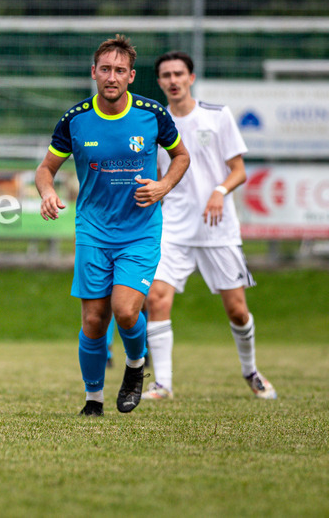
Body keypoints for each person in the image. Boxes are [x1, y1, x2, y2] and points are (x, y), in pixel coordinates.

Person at [35, 35, 190, 416]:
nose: (111, 77)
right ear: (93, 72)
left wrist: (163, 185)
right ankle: (93, 399)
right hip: (92, 230)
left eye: (120, 70)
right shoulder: (75, 120)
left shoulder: (152, 114)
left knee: (125, 311)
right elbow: (46, 169)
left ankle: (136, 366)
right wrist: (46, 193)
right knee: (93, 319)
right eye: (105, 69)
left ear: (131, 76)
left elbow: (181, 157)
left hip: (140, 231)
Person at [142, 51, 276, 401]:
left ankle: (250, 371)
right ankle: (163, 385)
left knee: (237, 310)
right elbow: (158, 176)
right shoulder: (155, 123)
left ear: (191, 77)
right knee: (156, 299)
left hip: (218, 229)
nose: (173, 80)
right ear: (159, 82)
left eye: (178, 74)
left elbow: (239, 170)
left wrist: (219, 191)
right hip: (172, 227)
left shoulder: (217, 117)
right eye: (166, 75)